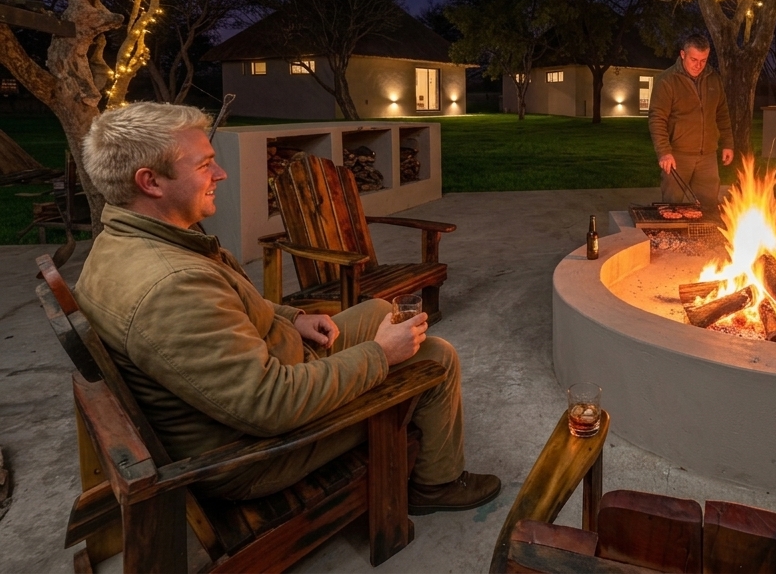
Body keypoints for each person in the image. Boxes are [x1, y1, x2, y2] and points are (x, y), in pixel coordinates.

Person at [73, 102, 500, 511]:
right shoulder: (171, 285)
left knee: (376, 312)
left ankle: (419, 434)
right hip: (252, 455)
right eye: (204, 165)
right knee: (435, 358)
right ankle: (438, 485)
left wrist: (291, 318)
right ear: (151, 182)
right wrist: (380, 355)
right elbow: (270, 405)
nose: (220, 173)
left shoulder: (126, 242)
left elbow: (228, 308)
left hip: (266, 371)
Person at [647, 33, 734, 213]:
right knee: (672, 207)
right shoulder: (667, 81)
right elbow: (657, 118)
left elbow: (722, 113)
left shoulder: (713, 78)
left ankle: (707, 240)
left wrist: (728, 143)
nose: (699, 65)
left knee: (708, 207)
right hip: (677, 156)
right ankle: (672, 239)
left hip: (708, 156)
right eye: (694, 59)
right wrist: (664, 152)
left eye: (704, 60)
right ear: (683, 54)